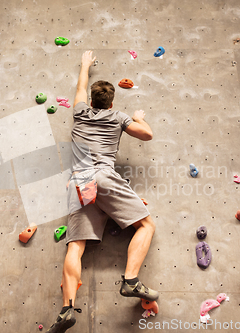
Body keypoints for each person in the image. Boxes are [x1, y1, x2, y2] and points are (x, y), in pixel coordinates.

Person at [47, 51, 158, 333]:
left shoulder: (79, 111)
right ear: (111, 102)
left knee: (76, 245)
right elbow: (147, 135)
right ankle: (131, 280)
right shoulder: (118, 117)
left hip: (79, 181)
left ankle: (66, 308)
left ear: (92, 101)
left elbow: (80, 88)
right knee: (146, 225)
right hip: (101, 175)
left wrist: (84, 64)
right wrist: (138, 118)